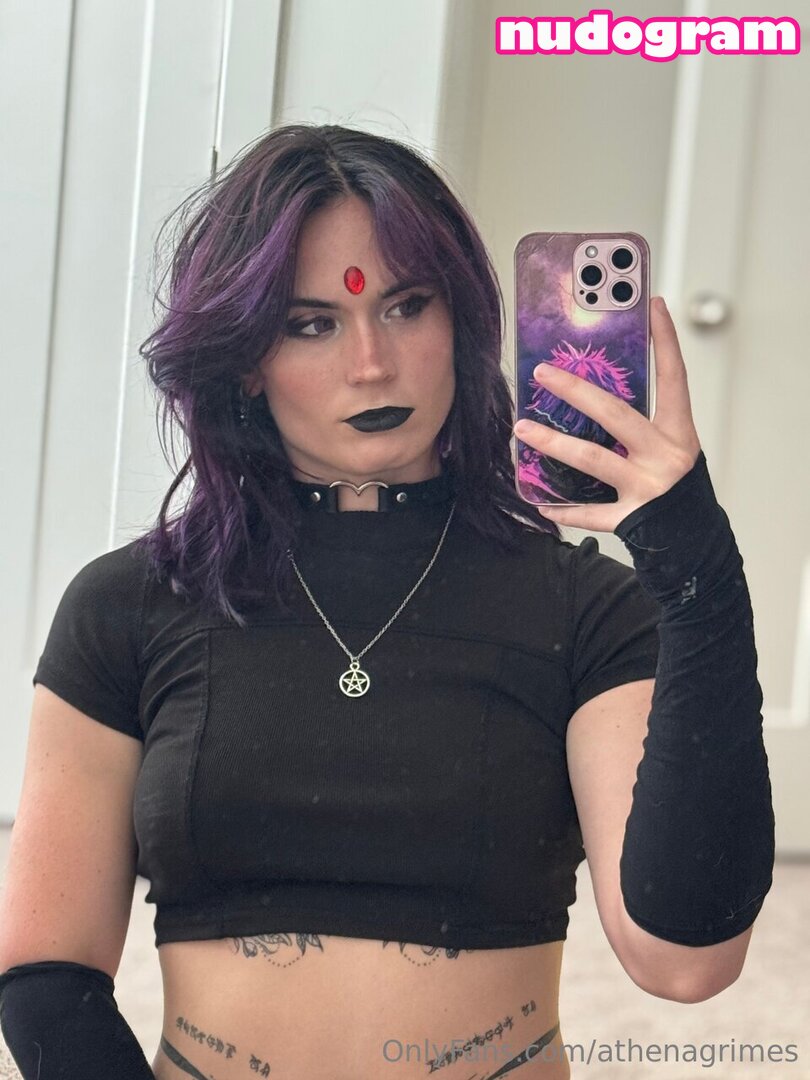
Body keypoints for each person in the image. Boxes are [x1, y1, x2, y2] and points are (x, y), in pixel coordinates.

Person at [0, 124, 774, 1080]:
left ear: (462, 324)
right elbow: (47, 978)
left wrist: (696, 572)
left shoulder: (587, 610)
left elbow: (686, 961)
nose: (372, 363)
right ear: (244, 358)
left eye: (406, 307)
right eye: (311, 324)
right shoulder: (127, 606)